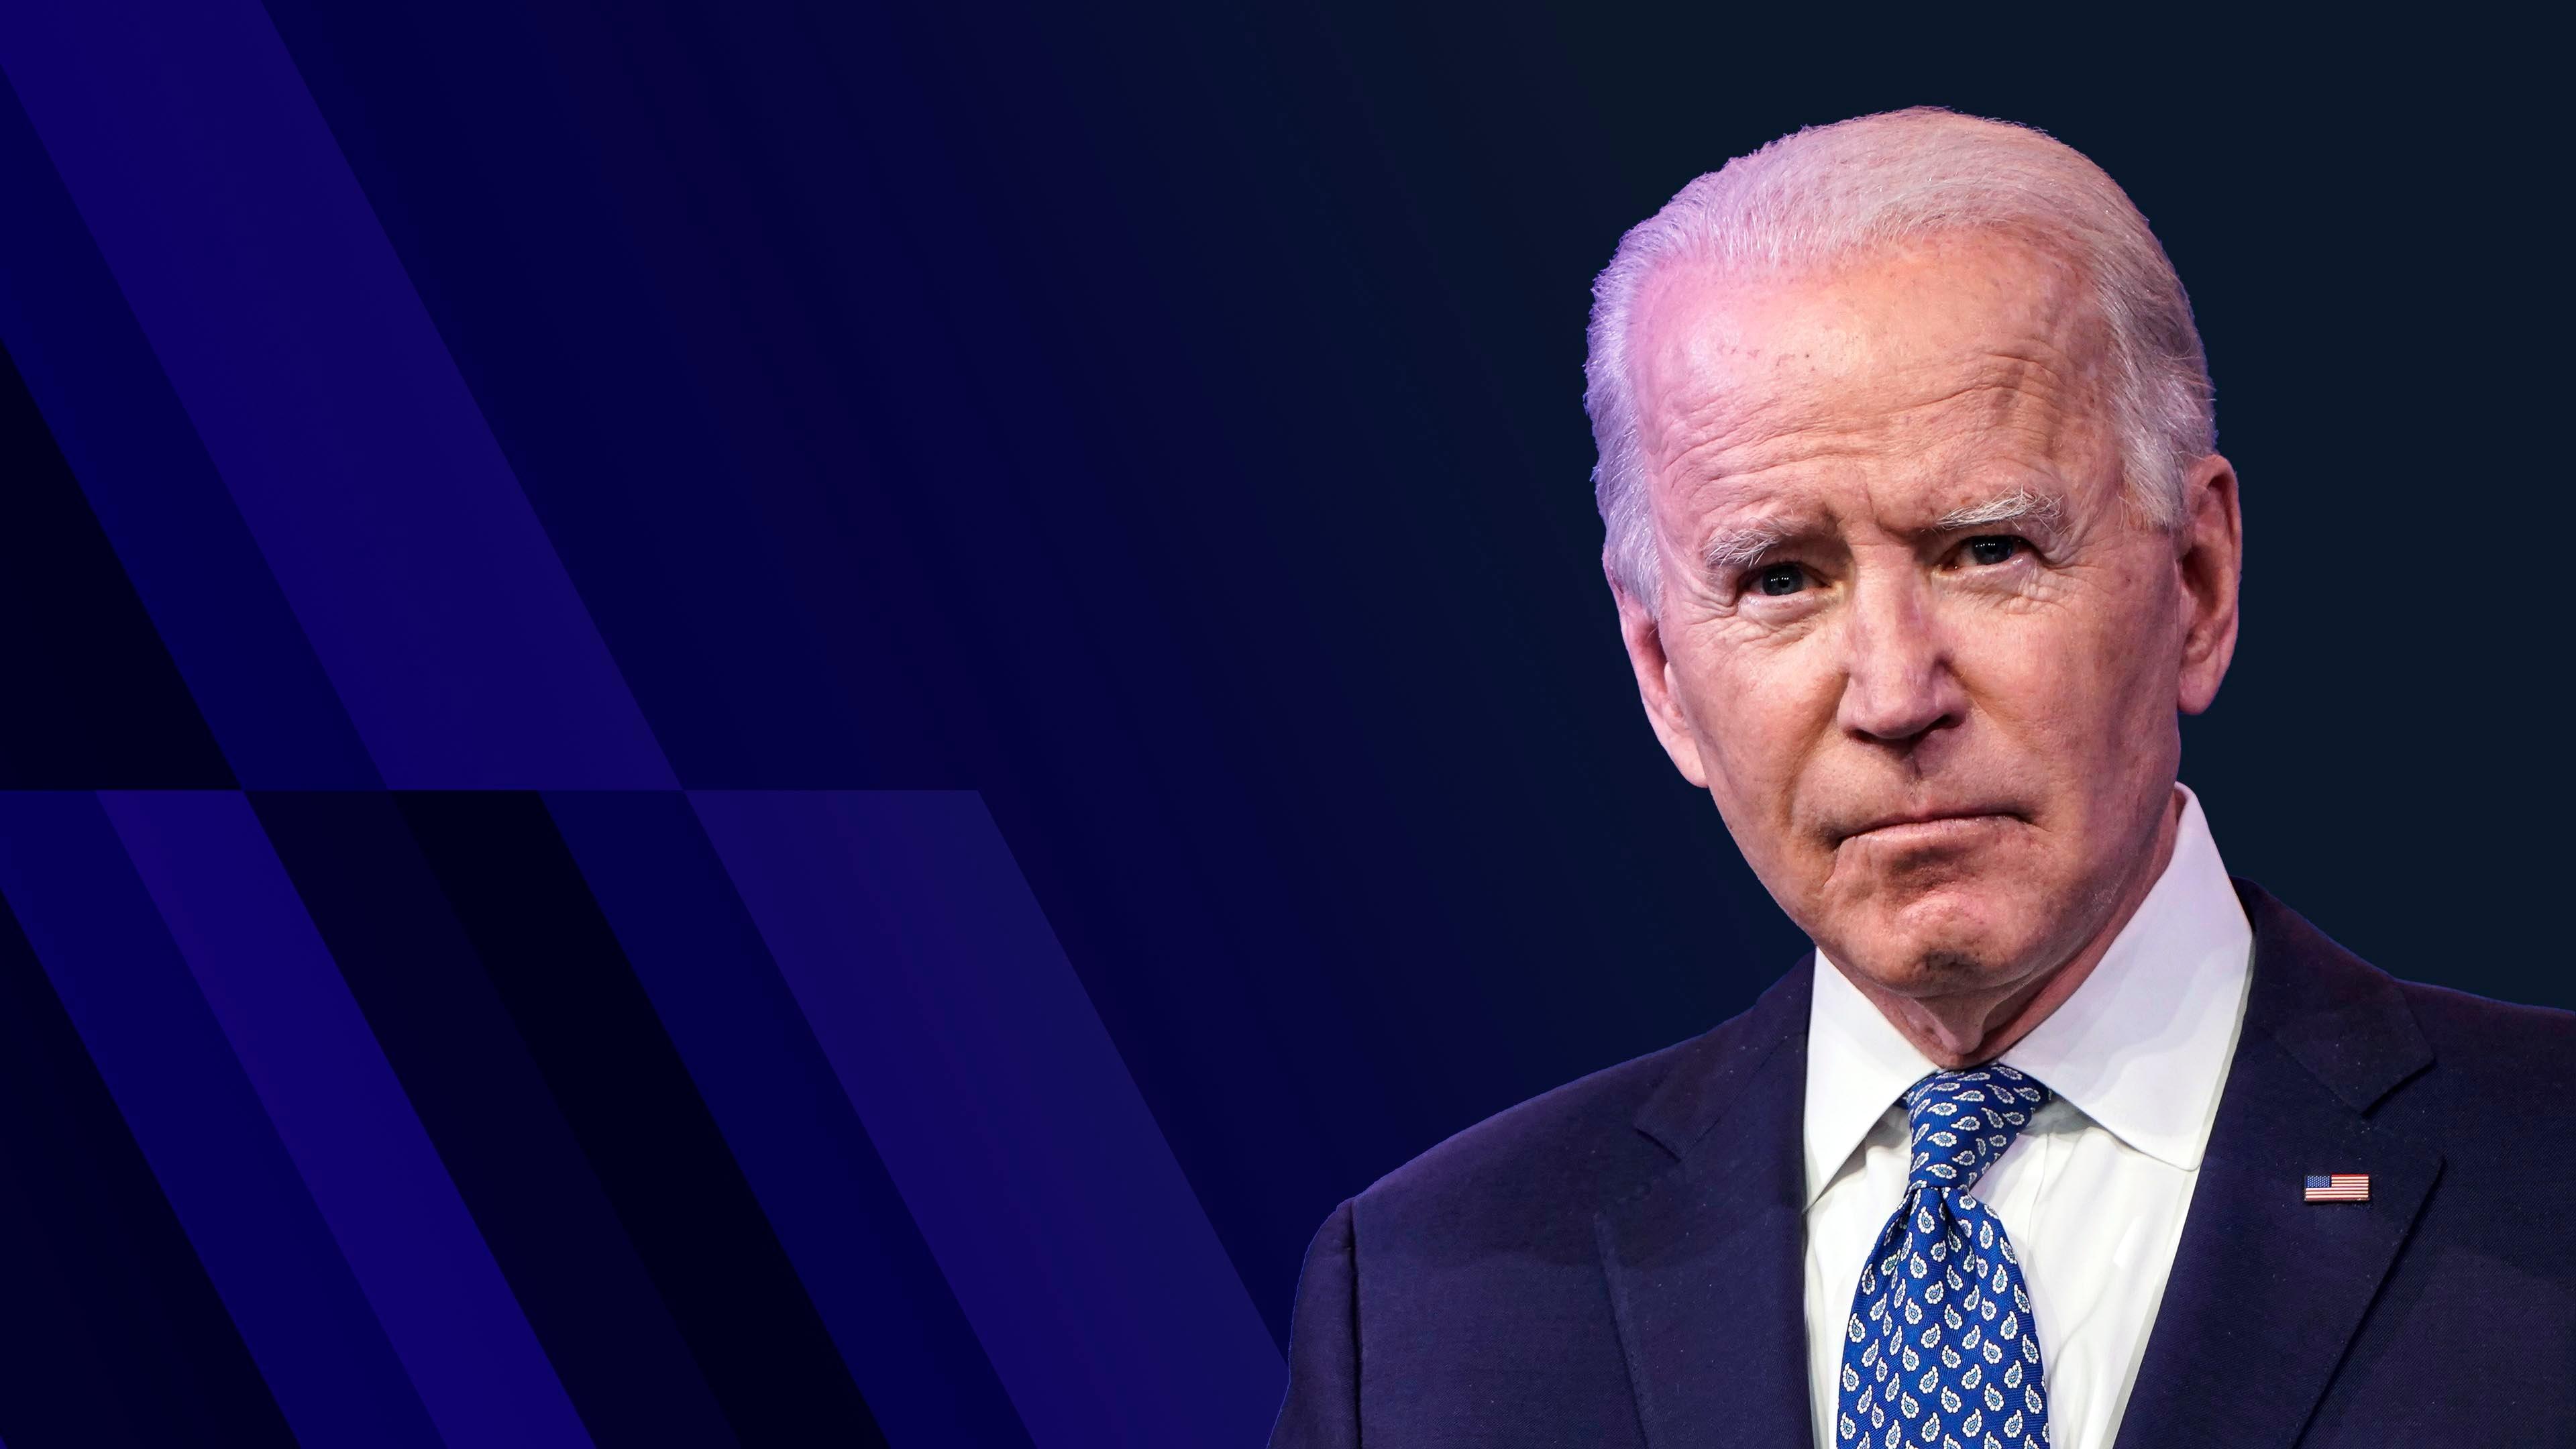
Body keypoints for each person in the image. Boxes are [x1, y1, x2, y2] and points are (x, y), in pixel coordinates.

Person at [1267, 108, 2575, 1449]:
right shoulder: (1424, 1308)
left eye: (1989, 548)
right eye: (1781, 578)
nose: (1896, 696)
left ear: (2198, 582)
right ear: (1662, 672)